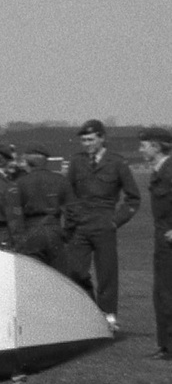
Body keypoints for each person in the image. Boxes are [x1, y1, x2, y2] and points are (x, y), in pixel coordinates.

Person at [64, 119, 140, 332]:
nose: (86, 144)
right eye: (83, 140)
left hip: (105, 224)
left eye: (90, 139)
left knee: (106, 273)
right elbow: (67, 191)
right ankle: (86, 312)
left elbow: (134, 198)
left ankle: (108, 317)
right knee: (75, 271)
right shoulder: (77, 162)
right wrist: (73, 216)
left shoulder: (117, 163)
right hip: (80, 225)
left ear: (102, 138)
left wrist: (115, 221)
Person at [139, 127, 172, 360]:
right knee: (161, 292)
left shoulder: (169, 171)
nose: (140, 149)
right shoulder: (159, 171)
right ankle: (166, 346)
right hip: (162, 239)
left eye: (144, 145)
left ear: (157, 147)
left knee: (166, 292)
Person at [16, 143, 70, 267]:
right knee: (58, 276)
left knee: (32, 274)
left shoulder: (19, 183)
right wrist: (67, 233)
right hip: (54, 229)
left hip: (30, 230)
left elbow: (14, 214)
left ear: (28, 162)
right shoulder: (61, 180)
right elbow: (72, 210)